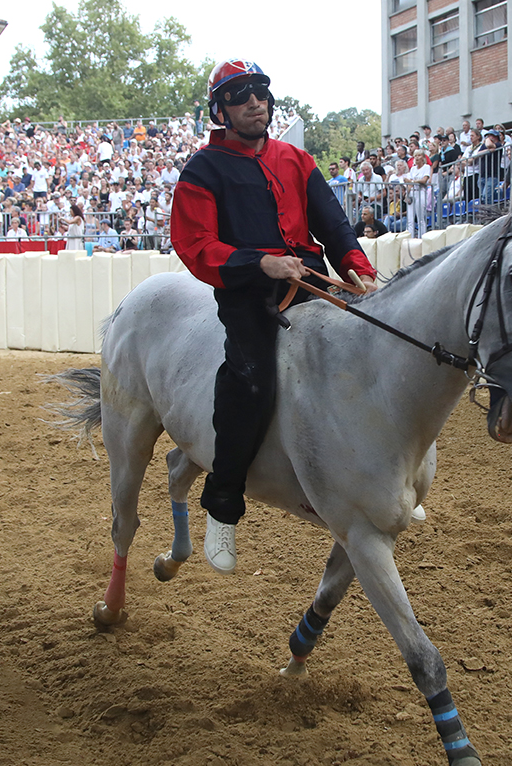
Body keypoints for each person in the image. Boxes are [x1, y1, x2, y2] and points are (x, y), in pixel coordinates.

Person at [170, 60, 375, 574]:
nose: (254, 102)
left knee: (371, 359)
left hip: (312, 281)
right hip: (247, 294)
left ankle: (373, 484)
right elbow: (195, 245)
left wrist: (358, 268)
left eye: (260, 92)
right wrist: (259, 261)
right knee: (253, 381)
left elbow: (334, 224)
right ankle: (222, 507)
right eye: (240, 96)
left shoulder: (297, 160)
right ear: (220, 110)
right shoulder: (202, 170)